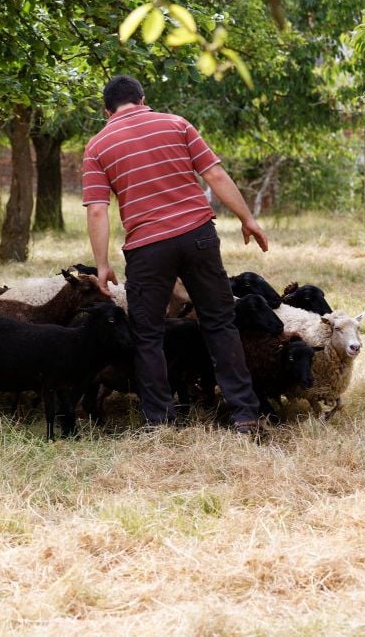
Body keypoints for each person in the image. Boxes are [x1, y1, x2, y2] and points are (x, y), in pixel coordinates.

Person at [82, 75, 269, 434]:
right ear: (142, 99)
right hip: (197, 234)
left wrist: (102, 264)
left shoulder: (97, 146)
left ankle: (160, 421)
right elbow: (214, 174)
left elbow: (96, 210)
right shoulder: (177, 124)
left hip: (147, 247)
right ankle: (245, 414)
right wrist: (248, 219)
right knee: (219, 322)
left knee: (147, 333)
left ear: (106, 110)